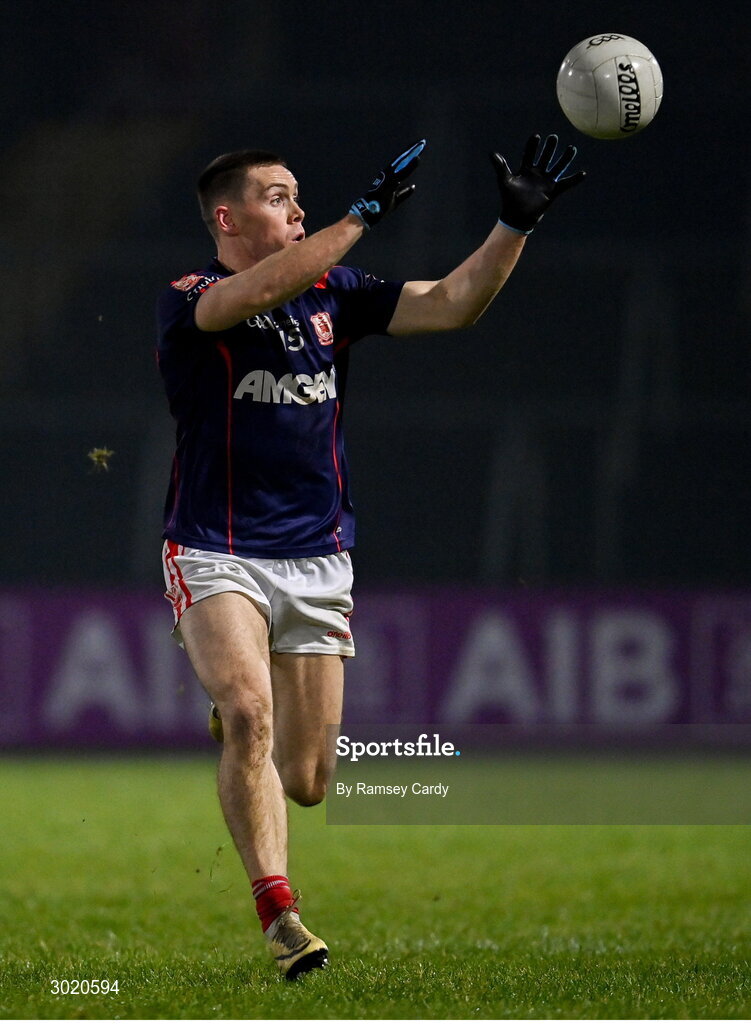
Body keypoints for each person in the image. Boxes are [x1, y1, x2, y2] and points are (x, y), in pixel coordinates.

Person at [156, 133, 584, 979]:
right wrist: (360, 215)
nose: (298, 207)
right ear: (226, 215)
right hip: (216, 549)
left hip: (316, 554)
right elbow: (258, 290)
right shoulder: (192, 295)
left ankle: (242, 722)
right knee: (249, 711)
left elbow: (452, 302)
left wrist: (512, 227)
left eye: (300, 196)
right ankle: (280, 915)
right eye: (279, 196)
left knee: (309, 778)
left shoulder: (336, 294)